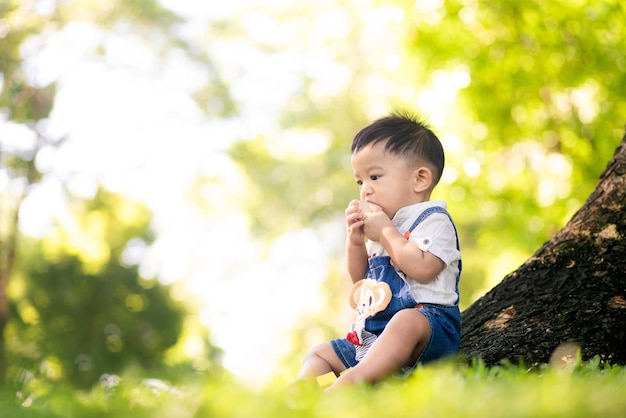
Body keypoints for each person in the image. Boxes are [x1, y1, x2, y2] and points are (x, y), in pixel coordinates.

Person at [296, 111, 462, 389]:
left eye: (374, 176)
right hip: (373, 337)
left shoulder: (432, 219)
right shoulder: (381, 225)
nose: (365, 191)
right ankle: (308, 389)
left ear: (419, 179)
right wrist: (356, 241)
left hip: (427, 332)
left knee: (406, 320)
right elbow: (360, 277)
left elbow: (423, 269)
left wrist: (385, 232)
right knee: (321, 353)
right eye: (360, 181)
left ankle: (352, 383)